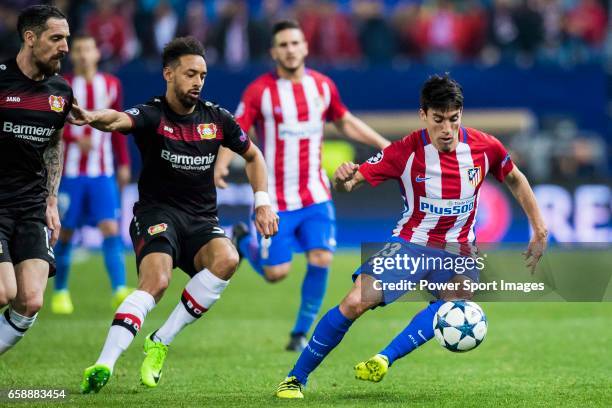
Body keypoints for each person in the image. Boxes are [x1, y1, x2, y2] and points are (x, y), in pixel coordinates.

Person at [275, 74, 548, 398]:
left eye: (453, 119)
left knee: (458, 296)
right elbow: (352, 182)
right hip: (411, 244)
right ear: (423, 115)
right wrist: (342, 178)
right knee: (353, 303)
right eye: (438, 120)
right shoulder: (403, 152)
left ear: (460, 114)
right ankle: (295, 378)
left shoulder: (485, 147)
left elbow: (515, 179)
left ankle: (383, 358)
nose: (446, 129)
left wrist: (539, 226)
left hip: (459, 249)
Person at [68, 36, 278, 393]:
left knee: (228, 258)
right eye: (190, 74)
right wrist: (90, 117)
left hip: (200, 220)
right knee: (157, 282)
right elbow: (117, 119)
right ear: (169, 74)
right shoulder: (152, 114)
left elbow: (254, 156)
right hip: (156, 214)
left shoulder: (218, 118)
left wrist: (262, 200)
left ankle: (160, 340)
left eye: (203, 75)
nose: (197, 81)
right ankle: (104, 363)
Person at [215, 20, 389, 352]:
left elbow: (344, 121)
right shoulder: (259, 92)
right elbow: (237, 133)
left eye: (295, 43)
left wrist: (385, 144)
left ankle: (299, 333)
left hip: (315, 194)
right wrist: (220, 167)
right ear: (273, 52)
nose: (290, 49)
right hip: (277, 198)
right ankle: (242, 240)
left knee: (322, 257)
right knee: (276, 272)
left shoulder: (322, 86)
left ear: (305, 47)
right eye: (283, 44)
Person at [0, 5, 72, 355]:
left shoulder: (61, 91)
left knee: (30, 300)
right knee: (2, 291)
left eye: (67, 39)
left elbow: (54, 144)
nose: (65, 48)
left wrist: (51, 201)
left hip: (31, 206)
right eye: (56, 38)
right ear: (30, 38)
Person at [52, 34, 132, 314]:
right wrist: (74, 141)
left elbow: (118, 126)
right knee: (65, 233)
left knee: (110, 227)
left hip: (103, 172)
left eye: (89, 49)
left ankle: (119, 289)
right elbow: (54, 128)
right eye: (79, 50)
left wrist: (123, 164)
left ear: (97, 53)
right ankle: (60, 291)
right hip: (70, 173)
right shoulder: (63, 86)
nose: (84, 54)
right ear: (72, 55)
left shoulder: (111, 84)